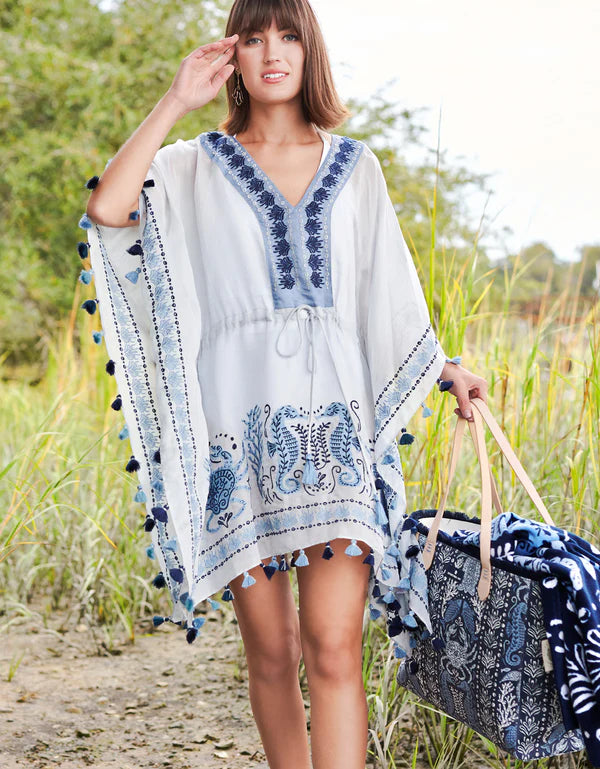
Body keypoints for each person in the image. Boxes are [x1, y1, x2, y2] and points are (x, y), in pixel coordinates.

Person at [83, 1, 488, 767]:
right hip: (237, 436)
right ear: (233, 55)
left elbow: (387, 296)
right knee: (273, 653)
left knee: (333, 647)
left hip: (335, 435)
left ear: (311, 52)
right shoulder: (193, 166)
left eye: (290, 36)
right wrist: (175, 101)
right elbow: (108, 208)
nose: (273, 52)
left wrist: (444, 368)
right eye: (255, 37)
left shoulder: (356, 168)